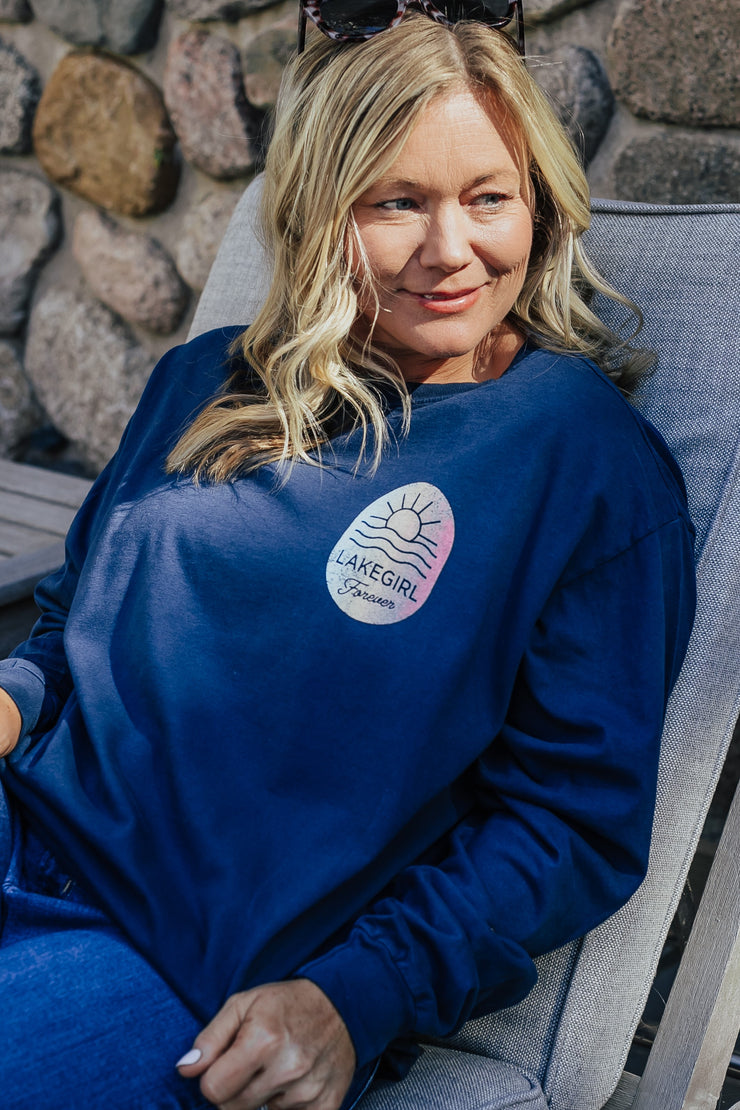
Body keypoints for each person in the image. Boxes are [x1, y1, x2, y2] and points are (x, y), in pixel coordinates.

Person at [0, 9, 695, 1110]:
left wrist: (353, 997)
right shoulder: (203, 380)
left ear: (539, 204)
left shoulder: (577, 461)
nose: (450, 250)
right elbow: (68, 629)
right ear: (319, 212)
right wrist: (11, 697)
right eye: (396, 202)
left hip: (180, 960)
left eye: (488, 197)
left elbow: (571, 825)